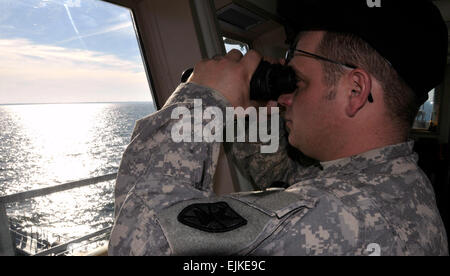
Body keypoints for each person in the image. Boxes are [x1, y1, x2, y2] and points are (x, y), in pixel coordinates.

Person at [108, 0, 449, 256]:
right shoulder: (392, 181)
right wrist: (247, 108)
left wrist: (202, 99)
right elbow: (282, 173)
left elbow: (142, 241)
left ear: (355, 91)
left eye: (298, 82)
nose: (285, 98)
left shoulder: (345, 214)